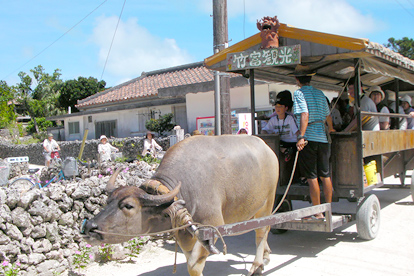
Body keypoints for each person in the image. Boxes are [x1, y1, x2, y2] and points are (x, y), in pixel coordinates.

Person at [292, 65, 334, 220]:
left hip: (309, 138)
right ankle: (328, 208)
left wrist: (301, 136)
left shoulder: (299, 93)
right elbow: (328, 117)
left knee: (312, 177)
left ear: (297, 79)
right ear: (310, 78)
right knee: (325, 175)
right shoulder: (320, 93)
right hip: (323, 138)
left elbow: (304, 114)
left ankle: (318, 211)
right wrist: (332, 130)